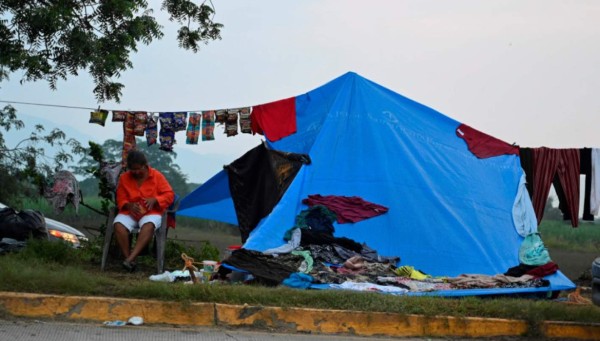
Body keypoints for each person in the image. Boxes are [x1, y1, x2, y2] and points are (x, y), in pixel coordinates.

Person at [114, 150, 174, 272]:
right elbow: (120, 197)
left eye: (138, 169)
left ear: (145, 165)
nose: (136, 172)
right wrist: (128, 205)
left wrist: (156, 200)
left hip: (151, 213)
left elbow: (169, 194)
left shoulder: (157, 176)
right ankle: (130, 260)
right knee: (118, 225)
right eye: (133, 170)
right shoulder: (124, 178)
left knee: (148, 225)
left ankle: (130, 259)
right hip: (129, 213)